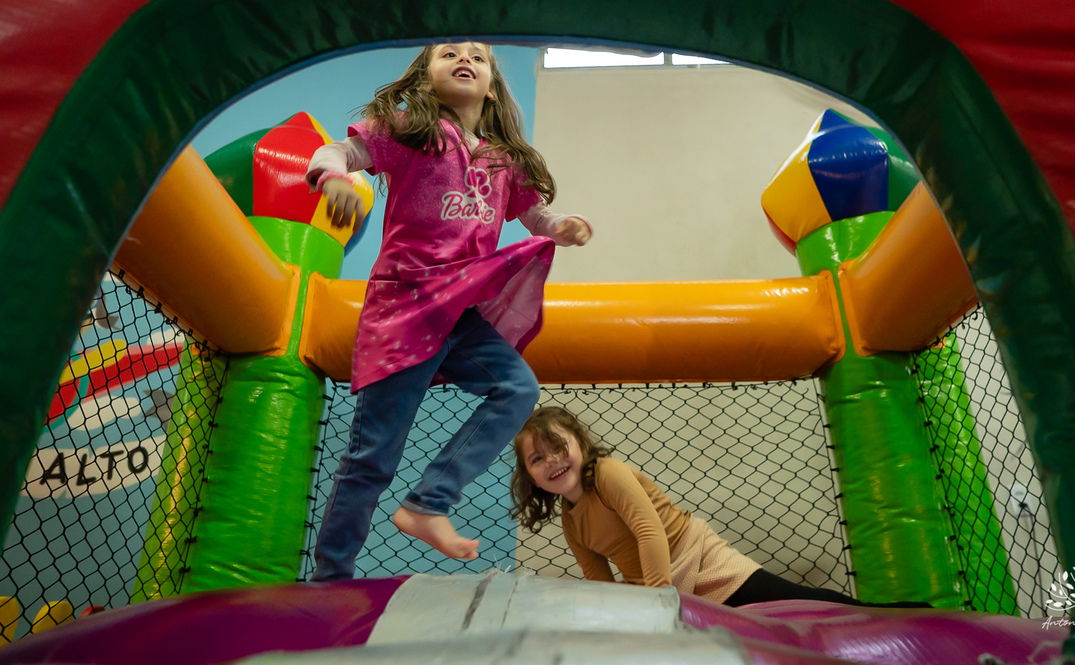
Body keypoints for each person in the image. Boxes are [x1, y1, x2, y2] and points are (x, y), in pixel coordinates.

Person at [306, 41, 591, 580]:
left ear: (491, 84)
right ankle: (330, 577)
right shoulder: (410, 129)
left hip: (460, 313)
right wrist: (336, 177)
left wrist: (560, 227)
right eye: (449, 53)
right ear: (426, 75)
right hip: (404, 307)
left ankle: (428, 503)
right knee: (373, 459)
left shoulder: (503, 157)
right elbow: (338, 153)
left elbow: (535, 216)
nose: (465, 59)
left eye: (479, 57)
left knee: (518, 388)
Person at [511, 407, 931, 608]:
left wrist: (659, 603)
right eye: (537, 459)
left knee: (792, 603)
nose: (552, 462)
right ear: (530, 477)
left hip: (695, 557)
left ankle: (896, 616)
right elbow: (597, 579)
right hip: (656, 584)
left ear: (580, 445)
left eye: (558, 447)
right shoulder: (571, 522)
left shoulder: (607, 473)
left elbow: (649, 531)